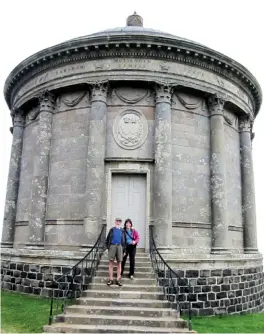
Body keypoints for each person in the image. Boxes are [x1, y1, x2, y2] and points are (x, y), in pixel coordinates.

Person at [105, 218, 126, 286]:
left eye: (119, 221)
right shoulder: (112, 230)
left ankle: (118, 279)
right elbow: (107, 239)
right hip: (112, 246)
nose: (118, 222)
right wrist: (107, 247)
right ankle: (111, 279)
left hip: (120, 246)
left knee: (119, 263)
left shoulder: (123, 231)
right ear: (115, 222)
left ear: (121, 222)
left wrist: (124, 250)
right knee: (111, 263)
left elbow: (124, 241)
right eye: (117, 221)